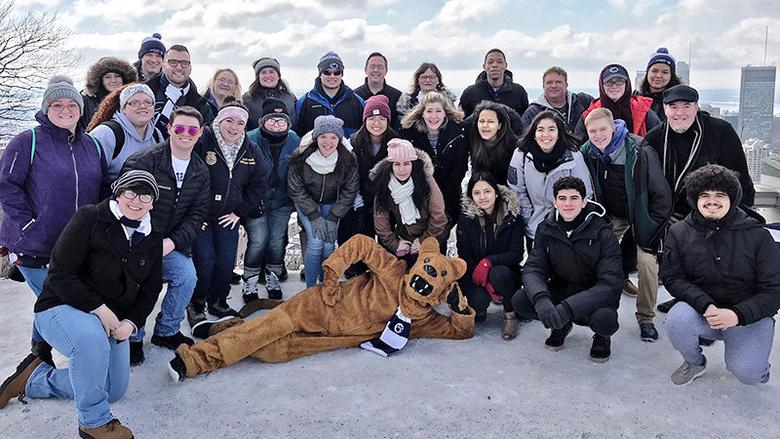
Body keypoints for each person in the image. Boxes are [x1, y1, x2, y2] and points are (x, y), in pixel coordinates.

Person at [0, 171, 162, 439]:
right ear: (118, 193)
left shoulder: (153, 236)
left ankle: (35, 379)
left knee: (113, 388)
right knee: (92, 342)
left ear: (152, 203)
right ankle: (93, 422)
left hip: (113, 320)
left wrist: (131, 322)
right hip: (60, 307)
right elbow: (60, 274)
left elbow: (151, 288)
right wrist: (100, 309)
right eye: (130, 193)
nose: (136, 201)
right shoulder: (90, 218)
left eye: (145, 196)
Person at [0, 75, 108, 367]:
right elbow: (7, 185)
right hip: (36, 243)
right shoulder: (28, 141)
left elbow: (101, 190)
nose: (65, 109)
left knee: (49, 298)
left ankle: (38, 352)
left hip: (78, 243)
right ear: (46, 109)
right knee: (56, 298)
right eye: (56, 104)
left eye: (71, 103)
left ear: (80, 108)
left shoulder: (92, 146)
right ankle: (45, 355)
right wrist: (26, 224)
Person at [662, 165, 780, 385]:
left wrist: (737, 315)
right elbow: (672, 277)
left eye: (720, 195)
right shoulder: (679, 233)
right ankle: (695, 362)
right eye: (704, 195)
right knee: (677, 320)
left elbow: (774, 290)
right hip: (705, 313)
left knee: (749, 374)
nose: (711, 200)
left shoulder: (757, 235)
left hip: (747, 317)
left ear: (732, 198)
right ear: (694, 199)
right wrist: (706, 305)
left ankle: (757, 365)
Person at [644, 85, 756, 314]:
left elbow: (739, 175)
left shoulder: (720, 131)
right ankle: (686, 300)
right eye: (673, 107)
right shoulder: (655, 137)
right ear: (664, 109)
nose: (680, 113)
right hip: (674, 214)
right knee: (680, 264)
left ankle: (714, 309)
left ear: (696, 107)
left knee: (714, 264)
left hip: (716, 210)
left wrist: (739, 211)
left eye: (687, 106)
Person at [121, 106, 211, 365]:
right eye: (179, 128)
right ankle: (133, 337)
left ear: (200, 133)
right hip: (135, 242)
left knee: (186, 276)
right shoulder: (145, 161)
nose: (185, 134)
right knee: (136, 283)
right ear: (170, 129)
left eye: (191, 130)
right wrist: (142, 242)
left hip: (168, 244)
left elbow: (197, 215)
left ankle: (166, 330)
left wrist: (171, 243)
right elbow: (125, 203)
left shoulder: (199, 170)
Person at [580, 108, 672, 341]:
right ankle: (596, 307)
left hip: (642, 214)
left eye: (603, 129)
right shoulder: (587, 154)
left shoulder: (639, 151)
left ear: (614, 127)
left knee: (646, 262)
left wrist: (651, 228)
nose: (598, 135)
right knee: (592, 252)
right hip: (612, 215)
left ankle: (646, 317)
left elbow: (662, 196)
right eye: (593, 131)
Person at [512, 176, 622, 362]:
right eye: (562, 198)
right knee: (521, 300)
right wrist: (542, 300)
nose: (568, 204)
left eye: (574, 198)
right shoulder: (546, 229)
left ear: (584, 201)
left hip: (594, 297)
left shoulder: (603, 232)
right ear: (555, 202)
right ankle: (560, 325)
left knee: (605, 319)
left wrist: (569, 309)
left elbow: (610, 284)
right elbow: (533, 269)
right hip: (562, 289)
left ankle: (602, 337)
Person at [187, 100, 270, 324]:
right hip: (201, 216)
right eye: (229, 121)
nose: (234, 127)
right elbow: (188, 177)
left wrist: (239, 212)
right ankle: (196, 303)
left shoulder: (249, 148)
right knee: (205, 260)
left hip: (228, 216)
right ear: (219, 121)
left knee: (225, 260)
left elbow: (259, 183)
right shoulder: (203, 142)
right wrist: (194, 213)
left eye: (240, 123)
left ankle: (218, 300)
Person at [287, 115, 359, 287]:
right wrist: (314, 216)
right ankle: (311, 288)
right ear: (316, 138)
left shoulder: (348, 158)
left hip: (332, 204)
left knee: (328, 244)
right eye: (323, 136)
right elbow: (295, 188)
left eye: (333, 137)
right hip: (307, 202)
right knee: (315, 242)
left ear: (339, 140)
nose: (328, 142)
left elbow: (351, 189)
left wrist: (334, 217)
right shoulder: (302, 155)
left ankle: (324, 283)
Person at [242, 98, 300, 305]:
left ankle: (273, 278)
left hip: (282, 201)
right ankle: (249, 280)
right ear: (262, 121)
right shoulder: (249, 140)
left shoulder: (294, 140)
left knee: (276, 240)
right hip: (256, 201)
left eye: (281, 121)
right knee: (258, 240)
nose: (277, 125)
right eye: (271, 121)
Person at [337, 95, 400, 277]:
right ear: (365, 120)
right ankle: (354, 268)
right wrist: (357, 198)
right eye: (372, 119)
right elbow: (349, 174)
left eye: (382, 119)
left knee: (386, 235)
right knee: (358, 231)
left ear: (388, 121)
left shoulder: (395, 142)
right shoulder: (355, 141)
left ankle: (383, 272)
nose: (376, 123)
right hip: (360, 197)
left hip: (386, 199)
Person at [507, 111, 592, 245]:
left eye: (551, 129)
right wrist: (529, 218)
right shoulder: (521, 155)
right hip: (534, 228)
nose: (546, 135)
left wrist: (570, 221)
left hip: (567, 229)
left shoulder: (573, 156)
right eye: (540, 130)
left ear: (559, 133)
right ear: (534, 134)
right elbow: (516, 191)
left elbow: (585, 192)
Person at [456, 172, 524, 339]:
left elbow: (517, 254)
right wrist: (483, 280)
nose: (482, 197)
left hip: (505, 273)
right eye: (477, 193)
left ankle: (510, 314)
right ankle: (480, 309)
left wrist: (489, 262)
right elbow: (464, 255)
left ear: (496, 192)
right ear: (471, 196)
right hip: (476, 275)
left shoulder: (512, 216)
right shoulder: (466, 219)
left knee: (498, 273)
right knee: (478, 300)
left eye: (487, 191)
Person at [399, 91, 468, 232]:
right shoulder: (408, 134)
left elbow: (459, 170)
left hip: (449, 198)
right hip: (417, 198)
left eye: (438, 111)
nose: (434, 116)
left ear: (445, 113)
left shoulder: (458, 134)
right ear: (422, 113)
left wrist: (441, 201)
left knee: (439, 242)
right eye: (429, 111)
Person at [370, 139, 447, 265]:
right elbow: (380, 218)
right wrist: (394, 244)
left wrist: (423, 241)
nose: (401, 169)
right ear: (390, 165)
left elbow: (438, 216)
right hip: (404, 235)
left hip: (432, 233)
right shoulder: (385, 183)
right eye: (397, 164)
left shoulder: (426, 181)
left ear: (413, 164)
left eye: (406, 164)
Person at [88, 83, 164, 181]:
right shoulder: (106, 133)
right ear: (123, 108)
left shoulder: (156, 135)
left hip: (146, 194)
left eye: (148, 102)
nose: (142, 106)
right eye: (134, 103)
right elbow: (88, 175)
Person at [574, 64, 660, 140]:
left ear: (627, 84)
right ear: (602, 85)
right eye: (609, 82)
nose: (614, 86)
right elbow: (578, 143)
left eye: (619, 81)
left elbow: (659, 139)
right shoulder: (591, 113)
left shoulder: (642, 109)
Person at [147, 44, 214, 136]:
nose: (179, 67)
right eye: (173, 62)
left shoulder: (201, 105)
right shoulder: (145, 92)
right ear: (163, 65)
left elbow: (206, 137)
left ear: (190, 69)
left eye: (184, 63)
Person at [294, 51, 365, 138]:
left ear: (341, 75)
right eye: (327, 72)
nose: (332, 76)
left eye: (337, 72)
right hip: (315, 151)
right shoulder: (304, 102)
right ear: (320, 74)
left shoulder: (357, 102)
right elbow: (298, 134)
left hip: (349, 151)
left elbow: (364, 134)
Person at [459, 48, 529, 125]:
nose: (495, 65)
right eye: (490, 62)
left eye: (499, 62)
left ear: (505, 66)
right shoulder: (469, 93)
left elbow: (525, 123)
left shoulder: (519, 92)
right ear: (484, 66)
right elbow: (461, 122)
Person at [521, 66, 593, 137]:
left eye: (558, 82)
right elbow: (524, 140)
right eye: (549, 82)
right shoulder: (533, 112)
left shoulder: (583, 101)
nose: (554, 86)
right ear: (543, 86)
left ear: (566, 85)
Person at [79, 57, 138, 130]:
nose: (113, 80)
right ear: (100, 81)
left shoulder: (134, 98)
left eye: (117, 76)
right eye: (108, 77)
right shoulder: (87, 100)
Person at [468, 101, 518, 184]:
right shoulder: (472, 141)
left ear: (499, 125)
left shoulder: (514, 147)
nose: (485, 125)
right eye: (481, 121)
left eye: (490, 121)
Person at [243, 57, 297, 132]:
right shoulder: (248, 99)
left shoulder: (290, 97)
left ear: (278, 76)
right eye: (263, 72)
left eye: (271, 72)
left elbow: (298, 123)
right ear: (258, 77)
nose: (268, 76)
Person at [354, 52, 403, 130]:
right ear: (365, 70)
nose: (376, 70)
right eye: (372, 67)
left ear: (386, 70)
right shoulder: (355, 96)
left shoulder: (398, 96)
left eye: (380, 67)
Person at [637, 48, 682, 122]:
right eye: (654, 71)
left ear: (671, 75)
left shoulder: (678, 102)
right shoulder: (636, 100)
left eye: (665, 72)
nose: (658, 76)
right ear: (647, 73)